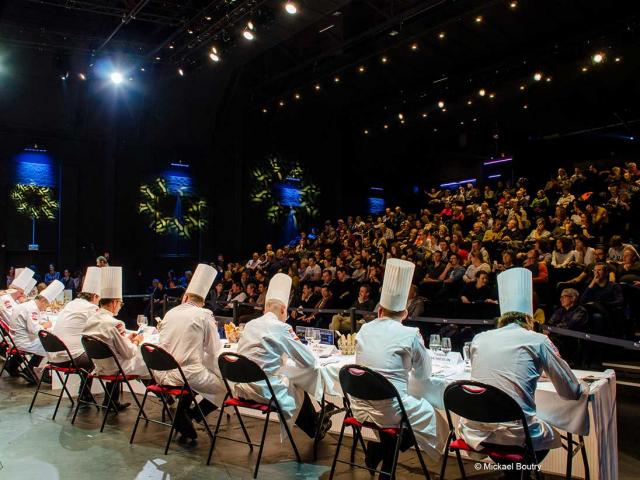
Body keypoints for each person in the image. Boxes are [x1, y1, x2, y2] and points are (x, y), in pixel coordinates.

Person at [459, 268, 585, 460]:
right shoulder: (538, 340)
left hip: (475, 429)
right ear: (529, 317)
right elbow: (570, 391)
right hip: (517, 434)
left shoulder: (479, 338)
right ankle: (519, 473)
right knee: (548, 431)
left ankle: (510, 472)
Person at [352, 259, 440, 475]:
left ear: (379, 310)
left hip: (359, 407)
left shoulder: (364, 329)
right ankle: (380, 453)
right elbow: (423, 373)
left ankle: (379, 453)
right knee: (434, 416)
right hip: (389, 410)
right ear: (405, 314)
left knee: (395, 415)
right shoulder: (410, 334)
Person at [234, 273, 322, 440]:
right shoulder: (282, 327)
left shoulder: (250, 324)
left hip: (242, 387)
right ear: (283, 310)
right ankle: (315, 428)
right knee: (296, 385)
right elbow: (309, 361)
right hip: (264, 390)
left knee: (290, 381)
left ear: (265, 308)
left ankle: (315, 426)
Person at [157, 263, 224, 443]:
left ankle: (183, 415)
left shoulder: (170, 313)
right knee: (225, 389)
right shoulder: (204, 315)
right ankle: (192, 415)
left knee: (194, 378)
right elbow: (213, 350)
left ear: (185, 297)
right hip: (187, 374)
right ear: (202, 302)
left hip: (163, 373)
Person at [83, 267, 145, 410]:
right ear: (114, 303)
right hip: (116, 368)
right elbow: (128, 353)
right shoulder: (115, 323)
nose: (120, 307)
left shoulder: (91, 320)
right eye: (120, 303)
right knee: (148, 362)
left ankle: (110, 401)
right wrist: (136, 341)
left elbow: (109, 344)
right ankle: (169, 401)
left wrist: (127, 338)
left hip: (99, 367)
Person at [51, 267, 101, 401]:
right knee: (103, 359)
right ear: (95, 296)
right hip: (70, 358)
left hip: (54, 357)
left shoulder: (72, 304)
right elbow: (101, 329)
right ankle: (93, 396)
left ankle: (85, 393)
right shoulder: (91, 307)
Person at [9, 280, 65, 383]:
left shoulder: (29, 305)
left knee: (46, 342)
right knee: (50, 344)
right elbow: (35, 330)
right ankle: (32, 370)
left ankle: (12, 366)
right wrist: (45, 325)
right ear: (43, 300)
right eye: (47, 304)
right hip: (24, 341)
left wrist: (42, 324)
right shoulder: (32, 309)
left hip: (16, 338)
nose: (46, 307)